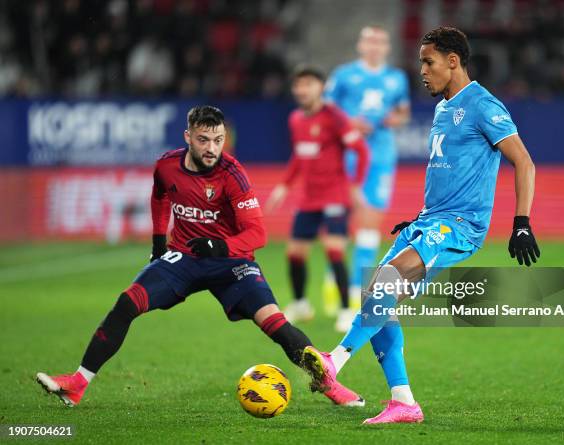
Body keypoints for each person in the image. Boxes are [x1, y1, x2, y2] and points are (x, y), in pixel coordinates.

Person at [36, 105, 364, 408]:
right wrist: (157, 241)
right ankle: (78, 383)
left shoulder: (233, 175)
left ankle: (330, 385)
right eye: (204, 139)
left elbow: (257, 234)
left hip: (233, 262)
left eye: (218, 140)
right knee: (126, 304)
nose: (211, 148)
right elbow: (160, 197)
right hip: (185, 258)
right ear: (188, 137)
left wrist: (219, 247)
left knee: (274, 322)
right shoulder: (166, 166)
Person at [302, 27, 540, 424]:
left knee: (387, 282)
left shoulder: (484, 105)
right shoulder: (442, 107)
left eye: (428, 63)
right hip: (428, 221)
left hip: (460, 226)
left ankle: (335, 361)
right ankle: (403, 402)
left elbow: (525, 162)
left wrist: (521, 222)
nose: (422, 72)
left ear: (453, 61)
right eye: (420, 64)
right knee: (376, 293)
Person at [266, 66, 370, 332]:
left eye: (308, 84)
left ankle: (347, 310)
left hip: (334, 196)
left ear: (321, 87)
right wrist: (284, 186)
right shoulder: (295, 120)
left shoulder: (335, 117)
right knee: (295, 253)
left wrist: (356, 186)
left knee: (334, 249)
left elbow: (362, 151)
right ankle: (301, 304)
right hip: (309, 199)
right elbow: (301, 155)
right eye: (298, 85)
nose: (302, 89)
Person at [323, 25, 411, 321]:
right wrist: (349, 123)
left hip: (381, 156)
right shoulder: (344, 75)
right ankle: (332, 280)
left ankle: (354, 295)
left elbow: (403, 112)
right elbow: (325, 110)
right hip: (346, 156)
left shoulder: (396, 78)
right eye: (369, 41)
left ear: (386, 47)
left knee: (370, 222)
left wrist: (392, 119)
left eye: (380, 42)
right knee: (341, 220)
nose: (374, 46)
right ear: (361, 45)